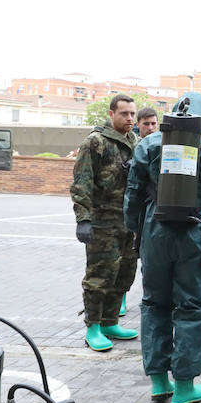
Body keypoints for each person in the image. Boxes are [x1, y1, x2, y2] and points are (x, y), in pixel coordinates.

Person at [124, 91, 201, 403]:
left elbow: (133, 192)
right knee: (191, 306)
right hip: (197, 232)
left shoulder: (149, 145)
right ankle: (185, 386)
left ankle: (159, 382)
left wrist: (133, 228)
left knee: (154, 303)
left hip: (155, 230)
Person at [71, 93, 140, 352]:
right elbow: (82, 182)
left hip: (129, 222)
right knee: (100, 276)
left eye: (132, 113)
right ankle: (93, 327)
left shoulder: (135, 141)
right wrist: (83, 219)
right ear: (111, 114)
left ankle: (110, 321)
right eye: (124, 113)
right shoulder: (96, 142)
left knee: (124, 274)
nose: (130, 118)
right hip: (103, 221)